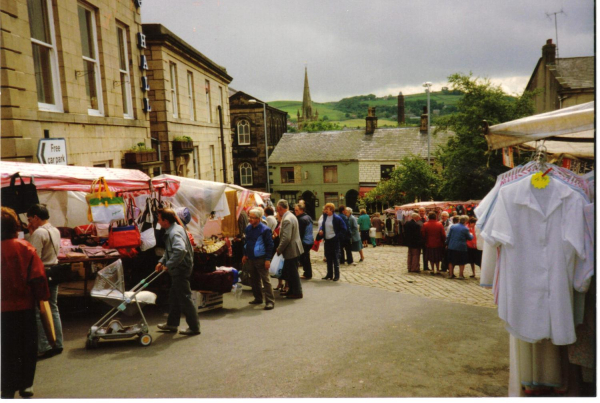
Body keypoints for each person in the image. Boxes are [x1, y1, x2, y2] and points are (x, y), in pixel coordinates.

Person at [2, 207, 50, 399]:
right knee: (27, 346)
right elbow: (38, 277)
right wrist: (42, 300)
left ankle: (6, 387)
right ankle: (26, 385)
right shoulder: (25, 248)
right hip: (24, 307)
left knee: (5, 349)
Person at [26, 204, 63, 360]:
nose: (29, 223)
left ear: (36, 217)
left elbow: (34, 258)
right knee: (53, 308)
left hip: (41, 274)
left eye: (30, 219)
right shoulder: (55, 230)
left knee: (38, 311)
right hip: (54, 270)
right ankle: (58, 343)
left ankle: (45, 345)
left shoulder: (39, 233)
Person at [155, 208, 200, 335]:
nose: (158, 221)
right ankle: (172, 324)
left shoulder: (174, 232)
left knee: (185, 298)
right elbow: (171, 251)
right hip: (180, 267)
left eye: (159, 219)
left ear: (165, 221)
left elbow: (180, 250)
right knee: (174, 297)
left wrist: (168, 264)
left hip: (181, 269)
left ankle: (194, 327)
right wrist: (162, 261)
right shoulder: (175, 228)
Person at [242, 208, 275, 310]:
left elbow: (270, 245)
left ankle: (270, 301)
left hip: (261, 258)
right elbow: (246, 243)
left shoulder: (265, 230)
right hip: (251, 257)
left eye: (252, 217)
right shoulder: (248, 228)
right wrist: (245, 254)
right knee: (254, 279)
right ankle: (258, 298)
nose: (250, 219)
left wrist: (268, 259)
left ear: (259, 218)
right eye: (250, 217)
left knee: (265, 280)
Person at [275, 200, 304, 299]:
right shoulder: (291, 216)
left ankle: (297, 292)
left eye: (277, 208)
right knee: (291, 271)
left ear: (279, 208)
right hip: (294, 247)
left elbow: (286, 238)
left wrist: (279, 249)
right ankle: (292, 290)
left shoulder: (287, 219)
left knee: (293, 272)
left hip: (291, 249)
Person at [318, 203, 347, 281]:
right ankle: (329, 274)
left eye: (327, 209)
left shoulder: (337, 218)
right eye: (325, 209)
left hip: (334, 240)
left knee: (335, 258)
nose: (325, 211)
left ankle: (336, 275)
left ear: (331, 209)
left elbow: (344, 228)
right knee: (328, 257)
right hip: (327, 240)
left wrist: (337, 237)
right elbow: (323, 225)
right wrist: (321, 230)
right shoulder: (325, 217)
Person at [446, 215, 473, 280]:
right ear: (466, 221)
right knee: (462, 261)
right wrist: (471, 235)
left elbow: (448, 236)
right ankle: (460, 275)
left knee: (451, 261)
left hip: (452, 246)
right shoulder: (465, 229)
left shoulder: (453, 226)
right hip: (461, 247)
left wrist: (447, 243)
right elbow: (469, 238)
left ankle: (451, 274)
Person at [294, 201, 314, 280]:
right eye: (295, 210)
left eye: (297, 210)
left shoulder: (301, 219)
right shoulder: (307, 217)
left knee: (304, 258)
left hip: (305, 241)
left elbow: (300, 233)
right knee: (306, 258)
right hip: (309, 240)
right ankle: (308, 273)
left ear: (301, 210)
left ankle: (307, 274)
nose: (295, 212)